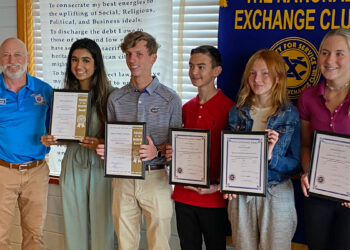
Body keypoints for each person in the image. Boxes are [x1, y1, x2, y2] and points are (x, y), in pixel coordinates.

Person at [96, 31, 182, 250]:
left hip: (156, 177)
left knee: (159, 243)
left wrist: (158, 153)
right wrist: (107, 150)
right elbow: (112, 138)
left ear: (153, 57)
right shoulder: (116, 98)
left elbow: (177, 146)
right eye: (128, 54)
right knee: (125, 244)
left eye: (139, 54)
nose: (132, 60)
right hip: (123, 181)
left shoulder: (170, 99)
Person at [40, 38, 115, 250]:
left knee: (103, 226)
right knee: (74, 225)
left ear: (96, 64)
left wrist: (101, 142)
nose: (79, 66)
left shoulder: (112, 96)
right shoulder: (64, 96)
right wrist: (52, 138)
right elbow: (64, 134)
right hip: (73, 162)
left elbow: (121, 139)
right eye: (74, 60)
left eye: (85, 60)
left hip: (101, 166)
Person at [225, 49, 300, 250]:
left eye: (265, 73)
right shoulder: (237, 112)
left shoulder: (290, 113)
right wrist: (227, 182)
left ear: (278, 78)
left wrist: (270, 157)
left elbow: (295, 163)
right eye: (252, 73)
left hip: (276, 190)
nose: (257, 79)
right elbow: (230, 156)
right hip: (241, 193)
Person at [165, 45, 234, 250]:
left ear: (216, 71)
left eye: (201, 66)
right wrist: (171, 153)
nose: (194, 72)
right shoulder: (186, 108)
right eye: (191, 66)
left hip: (213, 197)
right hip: (183, 194)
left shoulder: (231, 109)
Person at [297, 28, 350, 250]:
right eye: (325, 52)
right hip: (318, 194)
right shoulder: (307, 97)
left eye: (339, 53)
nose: (330, 60)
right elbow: (306, 144)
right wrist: (308, 173)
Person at [0, 38, 52, 249]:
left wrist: (53, 137)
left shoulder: (45, 90)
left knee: (34, 236)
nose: (12, 60)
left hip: (36, 172)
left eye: (17, 54)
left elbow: (54, 128)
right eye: (6, 55)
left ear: (28, 59)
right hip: (3, 171)